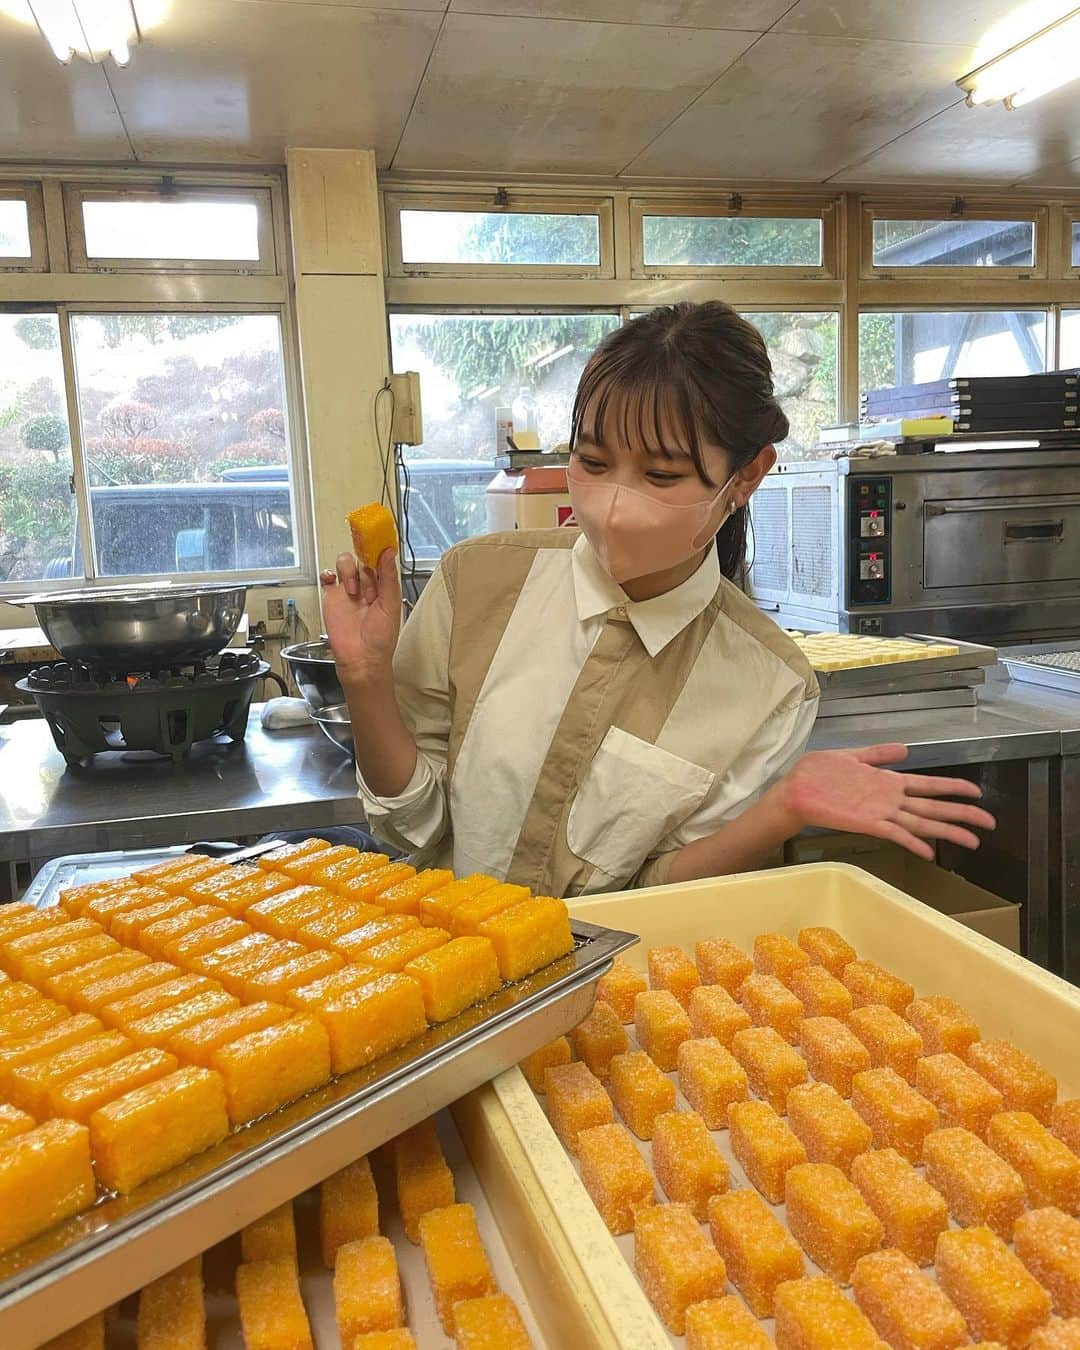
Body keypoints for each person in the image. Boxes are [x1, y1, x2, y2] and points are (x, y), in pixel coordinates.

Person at [320, 302, 993, 898]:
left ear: (748, 475)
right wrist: (364, 677)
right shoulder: (476, 585)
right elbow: (417, 825)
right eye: (591, 462)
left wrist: (782, 809)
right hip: (451, 968)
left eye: (661, 475)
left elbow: (657, 892)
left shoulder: (769, 684)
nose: (612, 507)